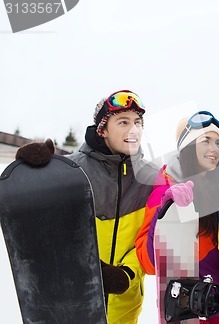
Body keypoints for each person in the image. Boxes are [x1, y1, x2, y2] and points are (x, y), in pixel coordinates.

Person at [16, 90, 158, 324]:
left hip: (125, 307)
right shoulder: (70, 171)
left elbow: (150, 239)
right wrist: (32, 169)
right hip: (73, 305)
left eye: (138, 122)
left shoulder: (151, 179)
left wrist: (126, 274)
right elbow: (39, 221)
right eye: (123, 122)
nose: (133, 129)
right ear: (102, 129)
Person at [135, 111, 219, 324]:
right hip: (187, 308)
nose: (214, 149)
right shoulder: (164, 188)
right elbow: (149, 263)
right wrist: (165, 208)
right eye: (205, 141)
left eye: (218, 143)